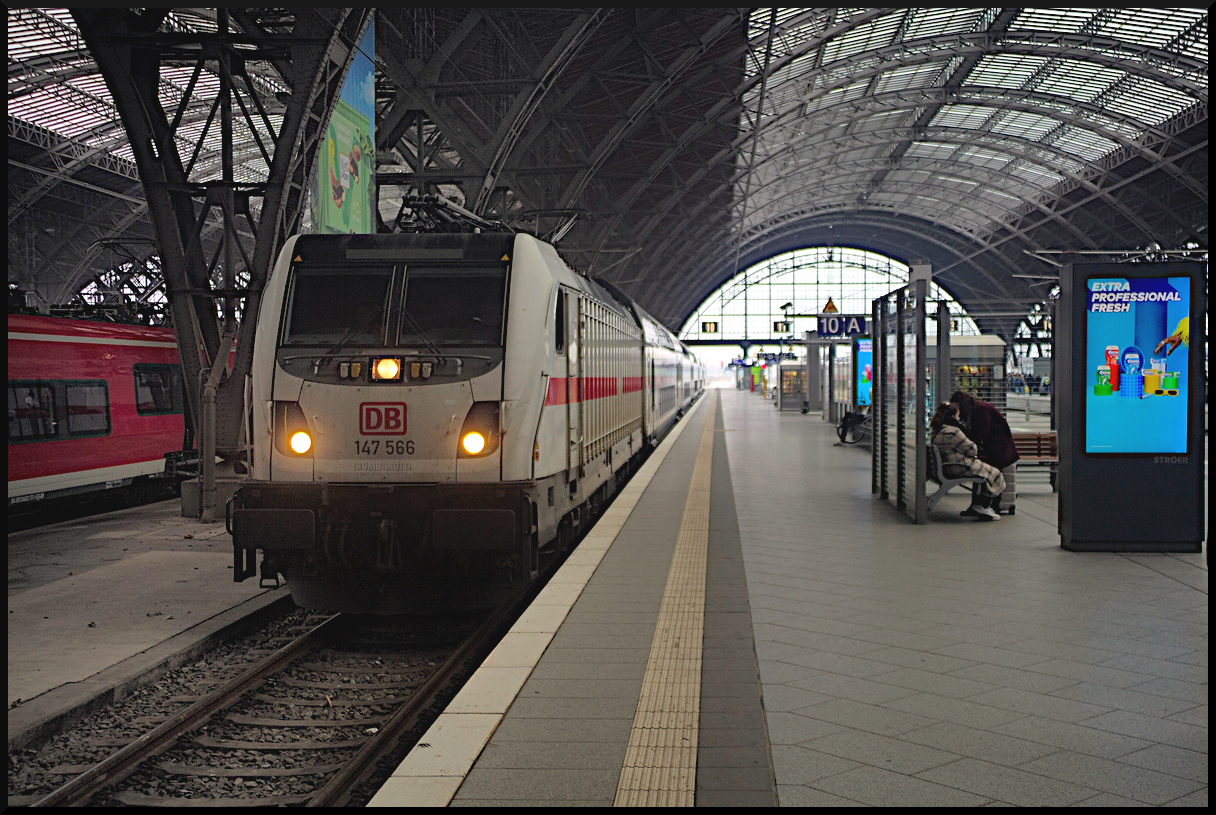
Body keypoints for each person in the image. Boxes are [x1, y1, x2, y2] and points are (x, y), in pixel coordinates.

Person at [930, 402, 1004, 521]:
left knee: (985, 471)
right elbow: (972, 450)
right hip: (957, 467)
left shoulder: (936, 431)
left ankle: (979, 505)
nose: (959, 418)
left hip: (945, 467)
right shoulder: (953, 432)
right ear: (953, 416)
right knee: (995, 473)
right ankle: (983, 505)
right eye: (958, 415)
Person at [950, 389, 1019, 515]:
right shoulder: (977, 409)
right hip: (995, 449)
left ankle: (988, 506)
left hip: (998, 450)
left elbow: (981, 434)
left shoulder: (980, 410)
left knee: (986, 471)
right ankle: (978, 506)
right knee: (980, 469)